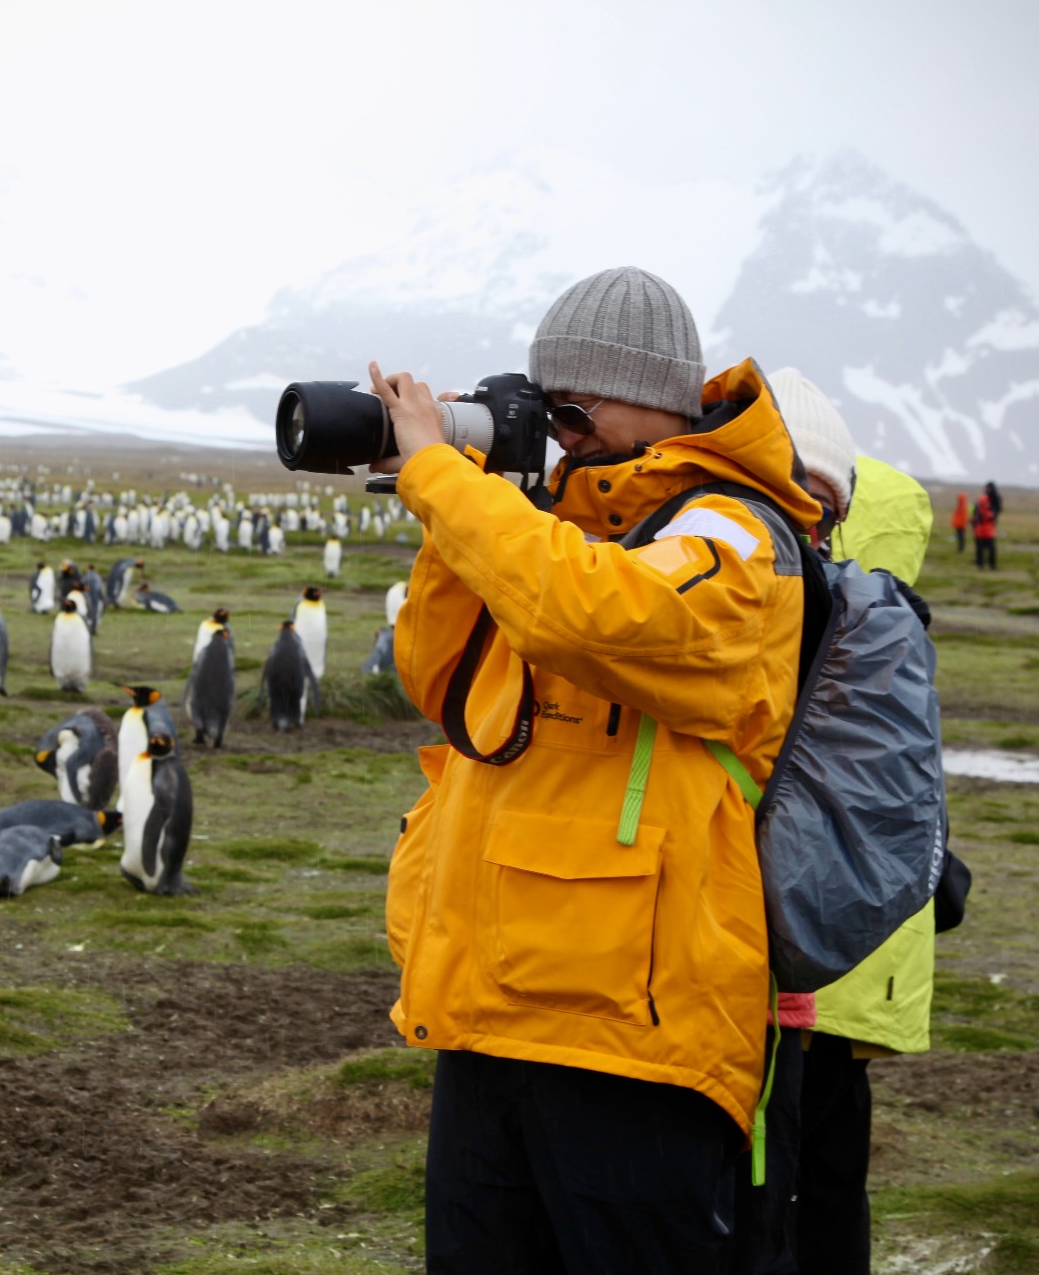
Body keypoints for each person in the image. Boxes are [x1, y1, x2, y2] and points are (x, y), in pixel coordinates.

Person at [370, 266, 819, 1274]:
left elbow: (598, 614)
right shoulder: (553, 531)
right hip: (489, 1011)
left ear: (657, 402)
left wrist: (439, 475)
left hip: (635, 1037)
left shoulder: (731, 531)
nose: (560, 434)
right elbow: (435, 678)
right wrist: (470, 504)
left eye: (575, 409)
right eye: (547, 409)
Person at [732, 369, 945, 1275]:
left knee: (763, 1184)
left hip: (784, 964)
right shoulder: (895, 635)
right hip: (868, 963)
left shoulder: (806, 611)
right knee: (831, 1182)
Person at [971, 491, 998, 570]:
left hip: (988, 534)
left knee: (991, 550)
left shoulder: (990, 511)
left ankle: (991, 565)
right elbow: (974, 522)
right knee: (980, 550)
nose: (987, 504)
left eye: (987, 502)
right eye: (986, 502)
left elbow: (993, 521)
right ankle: (981, 564)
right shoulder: (979, 512)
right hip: (981, 534)